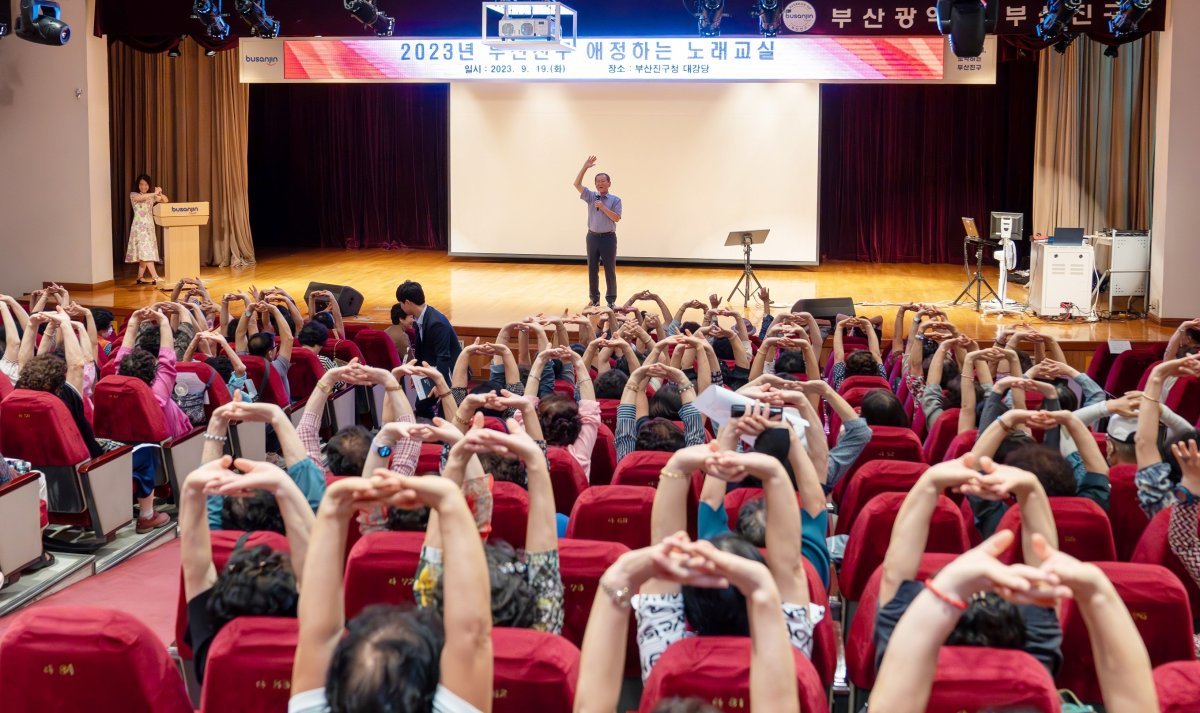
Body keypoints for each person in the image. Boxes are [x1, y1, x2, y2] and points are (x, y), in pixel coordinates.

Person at [572, 155, 623, 308]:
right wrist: (585, 167)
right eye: (598, 181)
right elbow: (576, 183)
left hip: (608, 238)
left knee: (609, 270)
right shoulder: (590, 196)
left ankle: (611, 300)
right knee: (592, 269)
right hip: (592, 237)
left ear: (609, 184)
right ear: (595, 184)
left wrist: (603, 207)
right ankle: (594, 299)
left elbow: (616, 218)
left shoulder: (615, 200)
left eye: (603, 181)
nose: (600, 183)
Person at [395, 280, 462, 385]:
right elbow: (421, 351)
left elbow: (443, 357)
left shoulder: (436, 323)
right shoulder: (419, 318)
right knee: (422, 401)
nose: (401, 306)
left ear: (407, 303)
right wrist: (416, 374)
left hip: (454, 377)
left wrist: (440, 385)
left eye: (401, 303)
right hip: (433, 373)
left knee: (459, 401)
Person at [126, 174, 169, 285]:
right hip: (139, 227)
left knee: (144, 252)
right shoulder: (134, 195)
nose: (143, 186)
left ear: (148, 185)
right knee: (147, 252)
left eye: (145, 184)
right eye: (141, 184)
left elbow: (165, 200)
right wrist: (154, 193)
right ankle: (155, 277)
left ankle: (140, 277)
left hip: (149, 227)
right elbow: (140, 198)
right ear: (138, 185)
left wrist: (159, 193)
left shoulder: (151, 196)